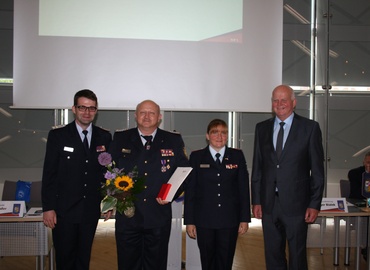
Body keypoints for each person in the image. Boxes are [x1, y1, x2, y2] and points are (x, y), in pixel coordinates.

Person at [109, 99, 189, 270]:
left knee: (156, 264)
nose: (147, 116)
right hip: (128, 217)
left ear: (159, 117)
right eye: (143, 112)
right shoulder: (121, 138)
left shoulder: (172, 140)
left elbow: (184, 172)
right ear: (136, 115)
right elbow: (109, 171)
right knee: (127, 264)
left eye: (151, 113)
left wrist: (171, 194)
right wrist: (113, 196)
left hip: (158, 216)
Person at [251, 84, 325, 270]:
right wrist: (257, 200)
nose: (279, 103)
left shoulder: (310, 128)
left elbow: (317, 171)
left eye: (284, 100)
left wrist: (314, 204)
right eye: (275, 100)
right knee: (272, 255)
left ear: (293, 102)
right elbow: (258, 168)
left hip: (297, 205)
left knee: (297, 256)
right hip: (269, 205)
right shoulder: (261, 129)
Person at [42, 89, 112, 270]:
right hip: (64, 211)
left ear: (96, 111)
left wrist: (110, 202)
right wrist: (48, 208)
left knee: (84, 258)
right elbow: (49, 174)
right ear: (74, 109)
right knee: (65, 259)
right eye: (82, 107)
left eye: (92, 108)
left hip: (90, 210)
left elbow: (109, 174)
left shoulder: (104, 136)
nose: (87, 112)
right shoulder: (58, 136)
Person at [184, 119, 251, 270]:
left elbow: (243, 189)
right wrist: (189, 221)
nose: (219, 136)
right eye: (215, 132)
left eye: (223, 133)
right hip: (204, 220)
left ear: (227, 136)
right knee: (207, 262)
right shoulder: (197, 157)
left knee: (225, 262)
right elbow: (191, 191)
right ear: (207, 136)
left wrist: (245, 219)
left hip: (229, 220)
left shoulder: (237, 156)